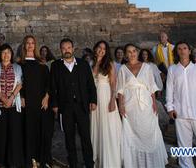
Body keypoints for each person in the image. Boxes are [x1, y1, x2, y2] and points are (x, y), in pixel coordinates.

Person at [117, 43, 167, 167]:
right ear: (126, 54)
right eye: (129, 52)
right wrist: (121, 105)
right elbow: (120, 90)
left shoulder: (147, 67)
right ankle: (135, 163)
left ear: (137, 52)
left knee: (148, 131)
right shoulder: (123, 69)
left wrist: (154, 104)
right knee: (132, 134)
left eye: (134, 51)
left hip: (146, 105)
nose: (132, 53)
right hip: (130, 105)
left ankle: (151, 163)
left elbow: (151, 87)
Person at [50, 38, 97, 168]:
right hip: (66, 108)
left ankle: (89, 163)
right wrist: (54, 104)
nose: (66, 50)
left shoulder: (83, 64)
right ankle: (73, 164)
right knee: (69, 138)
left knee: (85, 137)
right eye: (64, 48)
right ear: (61, 50)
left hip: (82, 106)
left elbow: (90, 84)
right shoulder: (56, 65)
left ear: (73, 48)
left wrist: (93, 100)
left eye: (68, 48)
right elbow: (52, 86)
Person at [19, 35, 50, 168]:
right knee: (27, 130)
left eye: (32, 43)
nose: (30, 45)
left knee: (40, 130)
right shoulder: (19, 64)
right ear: (24, 45)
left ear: (35, 45)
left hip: (40, 102)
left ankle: (39, 159)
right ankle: (28, 158)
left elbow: (49, 83)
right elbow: (18, 82)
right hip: (26, 102)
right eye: (27, 43)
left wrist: (47, 97)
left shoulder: (42, 64)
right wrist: (20, 96)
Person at [90, 40, 122, 168]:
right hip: (94, 99)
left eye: (104, 48)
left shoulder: (109, 64)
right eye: (99, 47)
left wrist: (112, 101)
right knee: (96, 127)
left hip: (106, 96)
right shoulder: (91, 63)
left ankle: (110, 161)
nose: (101, 50)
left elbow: (113, 84)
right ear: (95, 49)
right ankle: (96, 159)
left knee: (107, 127)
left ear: (106, 51)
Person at [0, 44, 24, 168]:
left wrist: (10, 98)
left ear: (11, 54)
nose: (6, 55)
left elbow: (20, 83)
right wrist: (3, 99)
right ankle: (0, 161)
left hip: (13, 105)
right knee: (1, 134)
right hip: (0, 106)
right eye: (4, 52)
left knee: (14, 134)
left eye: (8, 52)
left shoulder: (17, 67)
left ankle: (13, 161)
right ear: (0, 55)